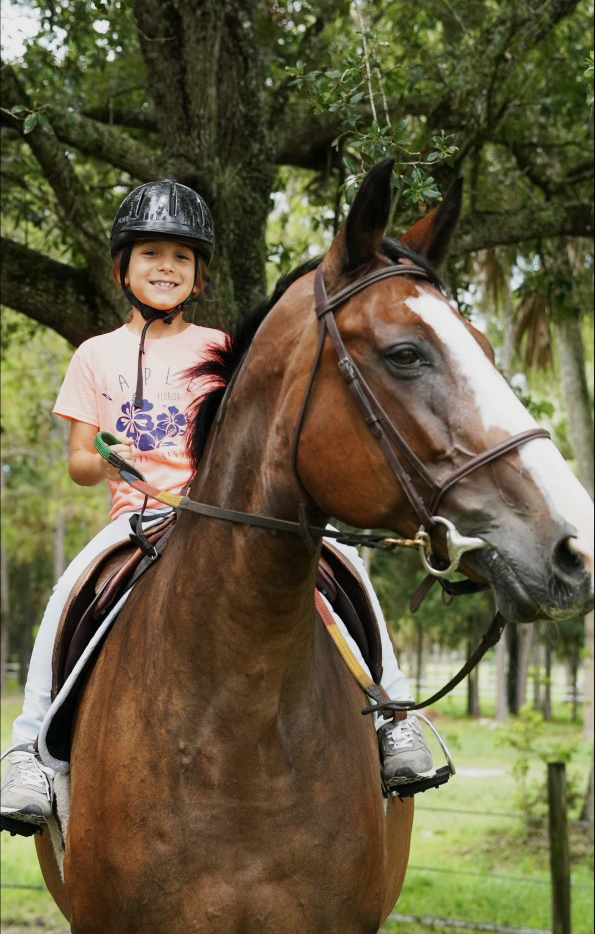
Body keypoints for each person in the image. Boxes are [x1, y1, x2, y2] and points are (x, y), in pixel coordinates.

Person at [0, 180, 434, 833]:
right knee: (69, 590)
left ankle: (396, 716)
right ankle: (30, 751)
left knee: (341, 565)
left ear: (199, 276)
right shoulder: (95, 356)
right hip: (135, 521)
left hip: (221, 514)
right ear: (123, 267)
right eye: (150, 254)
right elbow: (79, 464)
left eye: (180, 257)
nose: (165, 267)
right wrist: (112, 456)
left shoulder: (217, 349)